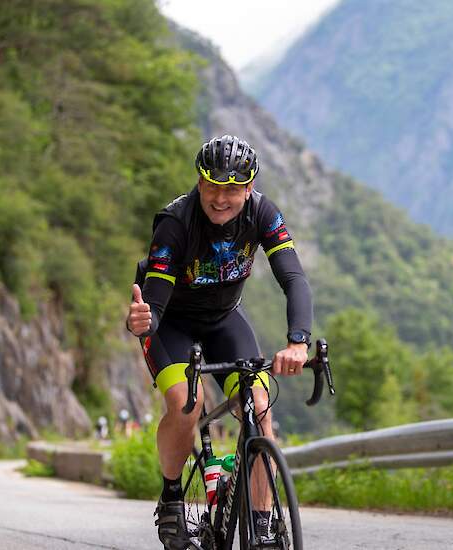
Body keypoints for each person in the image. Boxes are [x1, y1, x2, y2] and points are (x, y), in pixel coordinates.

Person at [125, 135, 312, 550]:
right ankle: (172, 497)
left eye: (233, 189)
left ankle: (261, 523)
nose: (221, 198)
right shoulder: (176, 222)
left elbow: (293, 278)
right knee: (186, 405)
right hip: (170, 322)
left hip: (224, 319)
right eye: (212, 185)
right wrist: (143, 319)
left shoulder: (263, 213)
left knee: (260, 409)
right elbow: (154, 302)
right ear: (199, 181)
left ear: (249, 188)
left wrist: (298, 341)